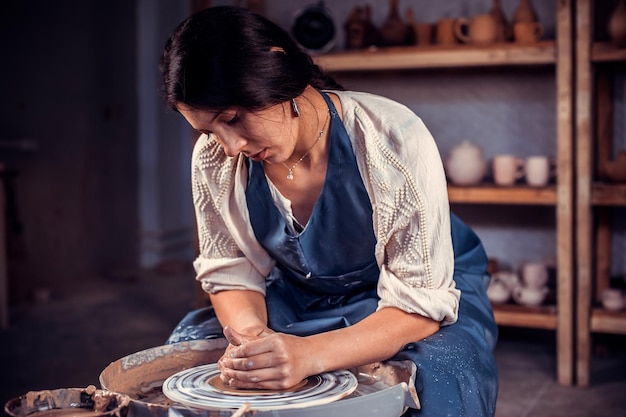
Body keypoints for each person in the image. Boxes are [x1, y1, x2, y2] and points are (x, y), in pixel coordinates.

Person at [160, 5, 498, 416]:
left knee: (442, 376)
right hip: (303, 293)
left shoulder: (388, 136)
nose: (230, 145)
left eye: (233, 118)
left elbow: (420, 304)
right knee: (189, 356)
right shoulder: (216, 159)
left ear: (275, 70)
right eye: (210, 129)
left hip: (414, 296)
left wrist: (308, 356)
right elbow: (231, 270)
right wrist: (257, 346)